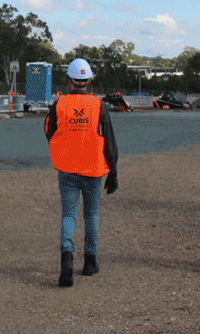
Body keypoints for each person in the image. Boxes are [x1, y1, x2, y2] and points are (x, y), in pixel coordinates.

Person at [45, 58, 119, 287]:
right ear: (88, 81)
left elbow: (49, 131)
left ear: (70, 81)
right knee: (91, 215)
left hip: (67, 167)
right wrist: (113, 170)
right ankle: (89, 262)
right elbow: (108, 140)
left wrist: (64, 146)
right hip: (93, 168)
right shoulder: (98, 106)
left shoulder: (59, 104)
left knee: (69, 215)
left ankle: (66, 260)